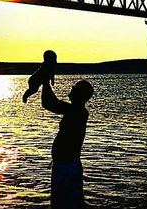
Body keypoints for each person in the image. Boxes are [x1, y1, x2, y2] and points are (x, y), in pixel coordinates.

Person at [41, 78, 94, 209]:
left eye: (75, 87)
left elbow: (49, 103)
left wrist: (45, 81)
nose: (72, 88)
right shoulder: (76, 110)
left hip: (67, 167)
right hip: (66, 165)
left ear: (79, 94)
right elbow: (49, 103)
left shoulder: (77, 111)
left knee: (64, 204)